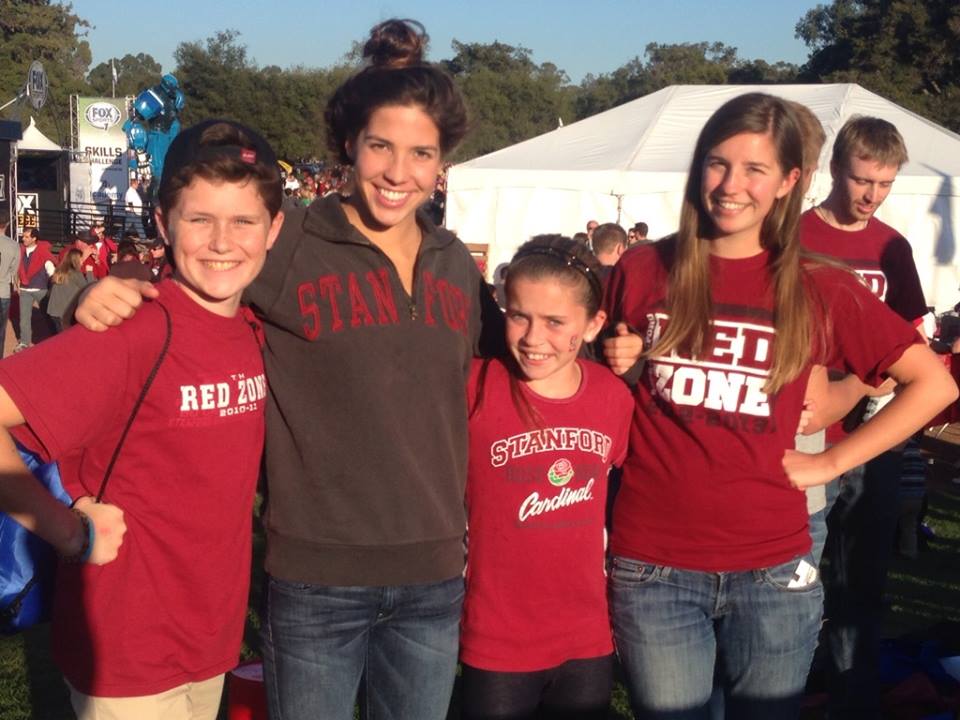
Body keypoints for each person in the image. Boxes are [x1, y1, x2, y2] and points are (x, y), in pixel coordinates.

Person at [74, 18, 502, 720]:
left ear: (442, 161)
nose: (398, 172)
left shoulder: (454, 262)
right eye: (381, 147)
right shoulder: (292, 240)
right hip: (315, 577)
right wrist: (113, 283)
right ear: (348, 145)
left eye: (421, 153)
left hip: (431, 577)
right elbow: (202, 263)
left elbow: (524, 353)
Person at [601, 92, 955, 719]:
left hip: (771, 569)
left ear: (790, 181)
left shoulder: (819, 285)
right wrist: (619, 364)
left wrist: (831, 462)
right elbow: (600, 381)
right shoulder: (644, 266)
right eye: (717, 163)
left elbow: (934, 384)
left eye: (755, 169)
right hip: (653, 564)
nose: (730, 185)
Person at [0, 118, 284, 720]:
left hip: (210, 641)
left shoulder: (254, 330)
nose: (222, 242)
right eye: (199, 219)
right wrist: (67, 531)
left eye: (244, 221)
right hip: (126, 651)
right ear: (162, 223)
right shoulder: (131, 331)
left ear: (274, 229)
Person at [461, 236, 632, 720]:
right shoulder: (474, 386)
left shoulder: (612, 397)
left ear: (593, 324)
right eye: (520, 316)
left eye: (556, 322)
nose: (534, 339)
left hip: (585, 634)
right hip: (496, 635)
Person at [800, 115, 930, 719]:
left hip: (873, 435)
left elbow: (911, 337)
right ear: (834, 170)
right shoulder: (793, 235)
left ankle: (851, 700)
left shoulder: (891, 246)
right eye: (862, 180)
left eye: (884, 184)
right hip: (805, 432)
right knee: (794, 577)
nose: (872, 195)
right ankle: (784, 688)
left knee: (862, 580)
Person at [15, 227, 55, 352]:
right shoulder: (20, 251)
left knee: (48, 315)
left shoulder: (43, 252)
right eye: (23, 236)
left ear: (34, 238)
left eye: (27, 237)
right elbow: (17, 269)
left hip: (41, 289)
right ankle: (24, 342)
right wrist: (18, 284)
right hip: (25, 289)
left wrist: (53, 287)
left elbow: (51, 271)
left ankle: (55, 338)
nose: (23, 239)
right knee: (24, 318)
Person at [46, 248, 93, 333]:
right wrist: (89, 272)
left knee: (58, 334)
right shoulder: (75, 274)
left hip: (54, 310)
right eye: (81, 260)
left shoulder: (59, 271)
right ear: (76, 261)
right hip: (64, 312)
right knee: (66, 335)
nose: (82, 262)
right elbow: (88, 289)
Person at [0, 220, 19, 357]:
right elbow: (14, 271)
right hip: (3, 291)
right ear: (6, 225)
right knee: (1, 330)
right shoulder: (13, 245)